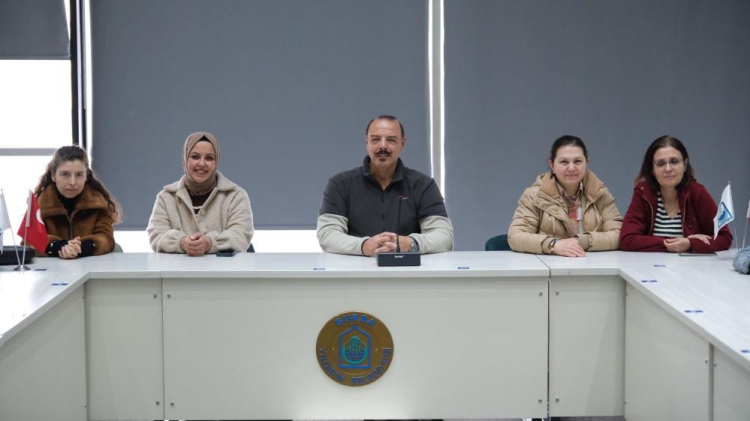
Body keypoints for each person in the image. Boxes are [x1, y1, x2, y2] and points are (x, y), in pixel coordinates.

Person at [317, 115, 453, 256]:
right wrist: (364, 246)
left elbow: (444, 236)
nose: (383, 146)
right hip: (355, 267)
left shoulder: (424, 186)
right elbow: (328, 235)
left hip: (408, 268)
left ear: (402, 144)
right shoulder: (340, 185)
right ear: (367, 142)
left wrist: (411, 244)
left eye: (391, 140)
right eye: (375, 139)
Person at [508, 135, 622, 257]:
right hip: (549, 265)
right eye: (564, 162)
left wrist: (582, 241)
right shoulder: (534, 196)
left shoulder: (600, 194)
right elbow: (516, 236)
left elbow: (619, 235)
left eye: (578, 161)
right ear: (552, 165)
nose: (571, 168)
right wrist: (553, 245)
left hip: (591, 264)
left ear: (586, 163)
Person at [620, 135, 732, 252]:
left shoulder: (698, 193)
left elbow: (724, 237)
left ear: (685, 164)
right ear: (652, 169)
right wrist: (677, 243)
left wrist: (689, 244)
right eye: (660, 163)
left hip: (692, 264)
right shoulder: (643, 192)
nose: (668, 169)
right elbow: (627, 239)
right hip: (651, 263)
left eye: (674, 161)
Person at [147, 131, 254, 255]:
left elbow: (241, 235)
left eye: (209, 158)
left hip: (224, 268)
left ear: (216, 162)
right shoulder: (166, 197)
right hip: (178, 268)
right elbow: (156, 235)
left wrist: (209, 243)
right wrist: (181, 242)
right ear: (185, 159)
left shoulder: (236, 196)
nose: (202, 164)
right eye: (195, 157)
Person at [34, 145, 120, 258]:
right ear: (53, 175)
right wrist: (58, 246)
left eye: (79, 175)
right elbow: (29, 241)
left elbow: (107, 239)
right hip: (52, 267)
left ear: (86, 176)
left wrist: (83, 247)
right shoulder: (39, 205)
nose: (72, 182)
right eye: (65, 174)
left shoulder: (99, 203)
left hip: (90, 265)